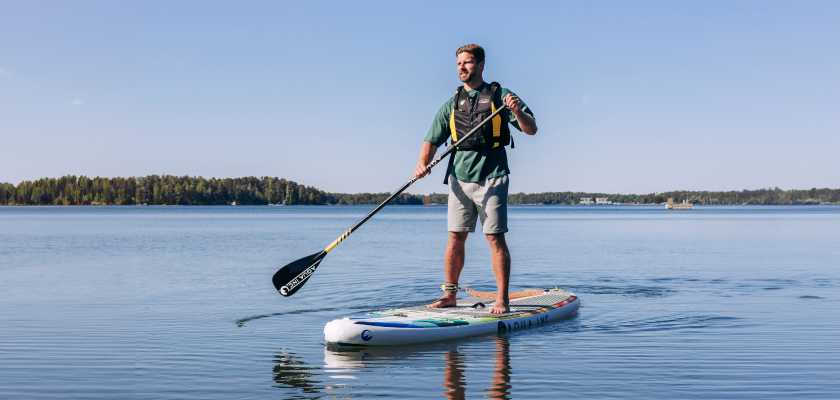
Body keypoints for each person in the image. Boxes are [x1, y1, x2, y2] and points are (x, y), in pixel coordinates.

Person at [414, 44, 537, 314]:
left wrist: (516, 111)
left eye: (467, 63)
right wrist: (422, 164)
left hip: (492, 177)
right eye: (459, 63)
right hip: (459, 180)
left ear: (480, 65)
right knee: (455, 238)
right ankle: (449, 296)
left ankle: (501, 299)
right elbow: (431, 140)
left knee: (494, 239)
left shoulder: (501, 96)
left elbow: (531, 129)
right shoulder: (451, 104)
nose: (462, 68)